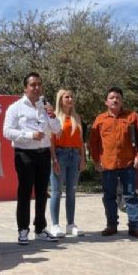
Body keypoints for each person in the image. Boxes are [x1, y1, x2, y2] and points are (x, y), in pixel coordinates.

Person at [3, 72, 61, 245]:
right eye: (33, 85)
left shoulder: (46, 107)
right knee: (25, 192)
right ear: (25, 88)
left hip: (43, 153)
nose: (37, 88)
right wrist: (29, 135)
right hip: (25, 154)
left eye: (39, 84)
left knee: (43, 192)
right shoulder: (16, 107)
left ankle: (40, 228)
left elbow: (57, 130)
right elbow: (6, 131)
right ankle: (23, 230)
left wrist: (52, 115)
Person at [89, 86, 138, 239]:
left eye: (118, 98)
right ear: (106, 102)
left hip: (128, 164)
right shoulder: (100, 119)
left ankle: (134, 227)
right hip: (107, 165)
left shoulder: (132, 117)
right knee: (109, 196)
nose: (115, 100)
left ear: (122, 101)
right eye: (112, 98)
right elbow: (93, 142)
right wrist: (96, 161)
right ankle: (111, 226)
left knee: (131, 196)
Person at [49, 89, 86, 238]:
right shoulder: (54, 117)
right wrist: (54, 160)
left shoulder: (77, 117)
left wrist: (83, 158)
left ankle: (70, 224)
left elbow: (81, 141)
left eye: (71, 97)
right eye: (67, 97)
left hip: (75, 155)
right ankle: (55, 225)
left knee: (71, 191)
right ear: (60, 100)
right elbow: (51, 141)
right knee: (57, 191)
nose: (70, 99)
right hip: (60, 154)